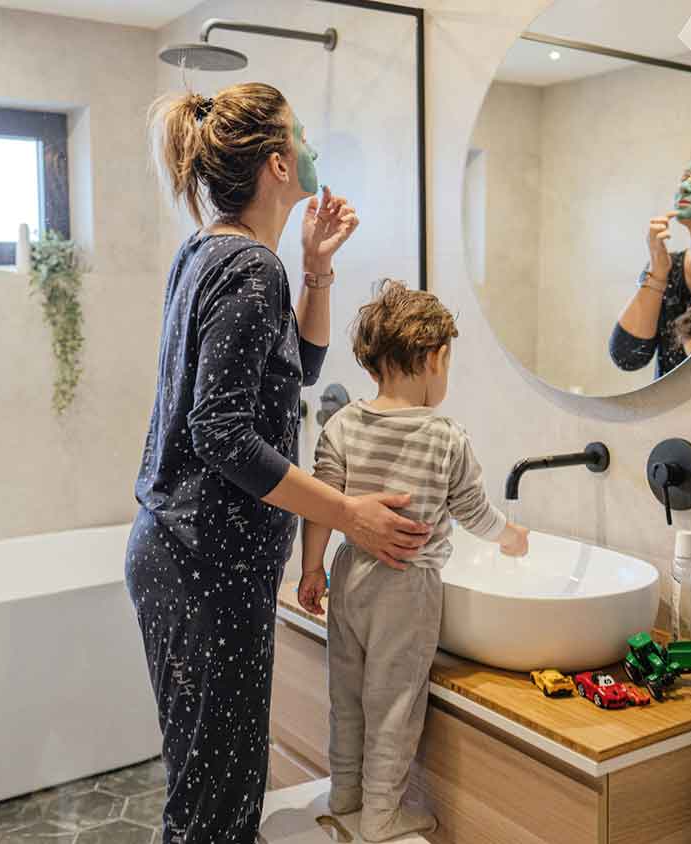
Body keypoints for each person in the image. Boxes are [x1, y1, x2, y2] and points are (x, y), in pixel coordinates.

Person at [128, 84, 433, 843]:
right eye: (302, 136)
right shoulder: (245, 267)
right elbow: (222, 433)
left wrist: (316, 266)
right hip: (204, 568)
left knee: (214, 791)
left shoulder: (217, 251)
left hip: (188, 557)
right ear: (277, 162)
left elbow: (293, 366)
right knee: (215, 807)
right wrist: (348, 515)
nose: (312, 149)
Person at [297, 281, 531, 841]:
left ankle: (345, 798)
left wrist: (312, 570)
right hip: (408, 586)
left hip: (350, 574)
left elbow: (322, 506)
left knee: (347, 695)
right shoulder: (445, 436)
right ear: (434, 358)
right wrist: (510, 536)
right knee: (394, 703)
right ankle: (381, 817)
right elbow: (475, 512)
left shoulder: (343, 425)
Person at [610, 142, 691, 377]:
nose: (686, 186)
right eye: (685, 178)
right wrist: (658, 273)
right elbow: (627, 358)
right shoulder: (667, 269)